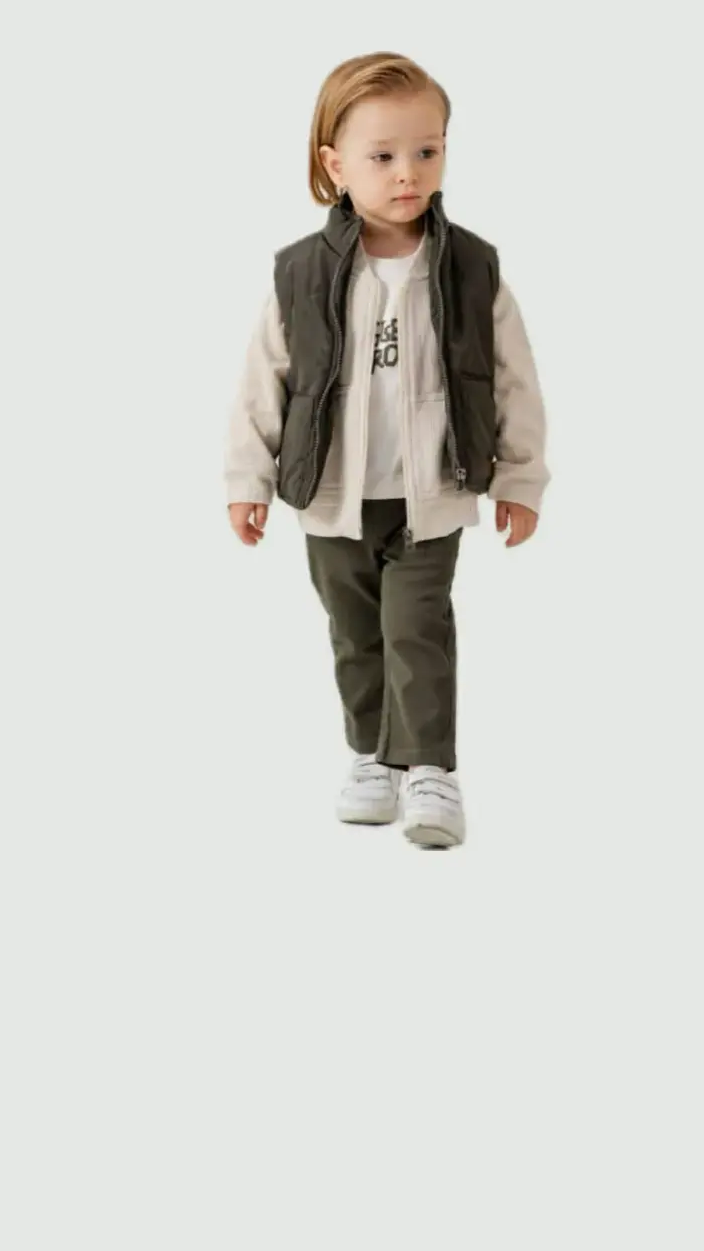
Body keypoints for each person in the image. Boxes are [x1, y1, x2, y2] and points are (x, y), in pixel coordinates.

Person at [224, 52, 550, 849]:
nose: (409, 172)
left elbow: (514, 379)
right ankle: (373, 755)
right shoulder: (302, 273)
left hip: (431, 490)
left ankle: (430, 767)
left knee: (418, 627)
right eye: (383, 156)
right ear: (335, 165)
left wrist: (520, 478)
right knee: (355, 633)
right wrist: (248, 479)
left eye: (427, 151)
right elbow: (264, 381)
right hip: (330, 495)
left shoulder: (470, 268)